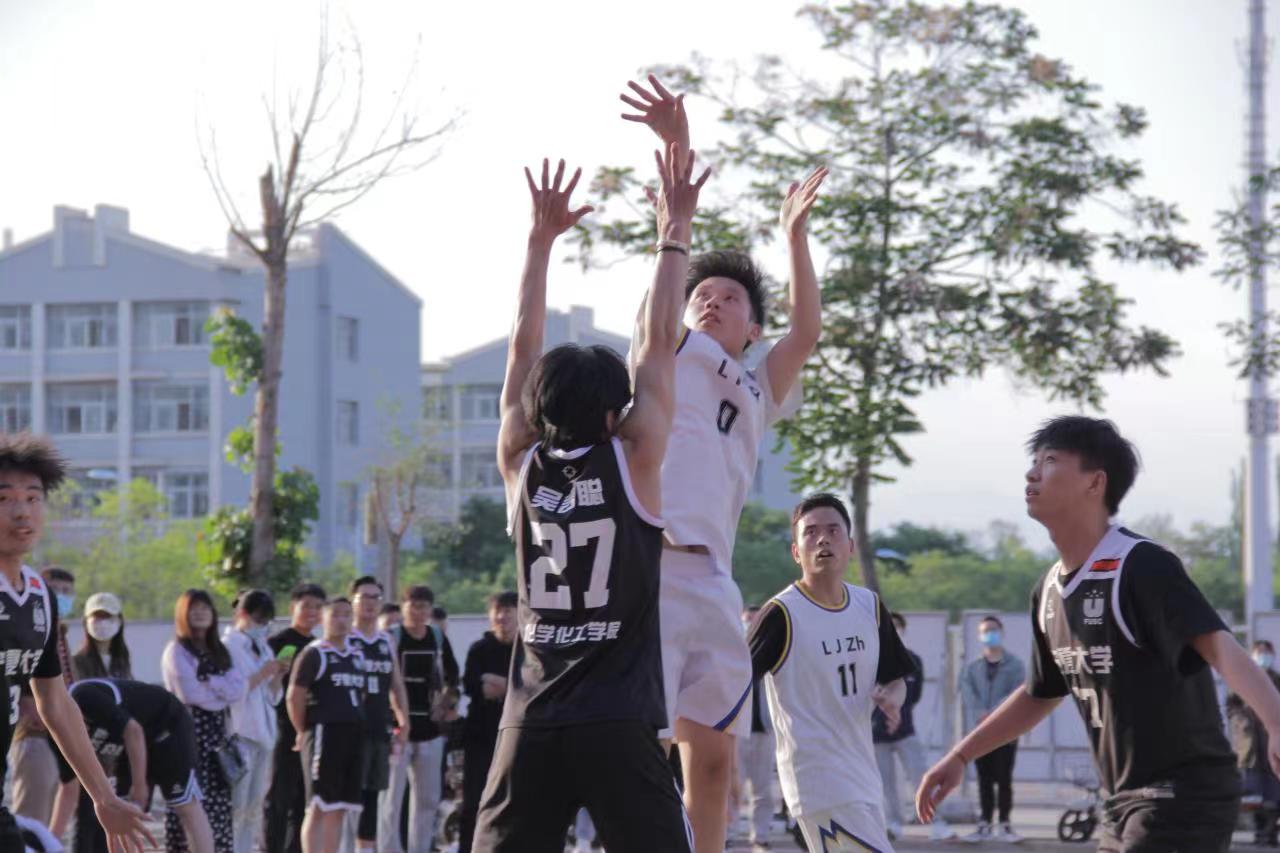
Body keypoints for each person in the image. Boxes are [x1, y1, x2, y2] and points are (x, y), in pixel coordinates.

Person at [473, 147, 703, 853]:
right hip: (617, 718)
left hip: (530, 719)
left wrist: (539, 243)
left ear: (538, 407)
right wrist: (673, 231)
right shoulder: (634, 457)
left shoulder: (519, 461)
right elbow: (660, 340)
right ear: (613, 413)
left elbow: (521, 349)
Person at [618, 74, 825, 853]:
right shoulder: (671, 347)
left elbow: (807, 331)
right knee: (639, 744)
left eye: (731, 297)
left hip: (714, 578)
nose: (713, 299)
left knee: (715, 756)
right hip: (649, 564)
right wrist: (678, 144)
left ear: (752, 328)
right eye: (703, 291)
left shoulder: (760, 384)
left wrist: (794, 237)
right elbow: (666, 284)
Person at [918, 416, 1280, 852]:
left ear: (1095, 482)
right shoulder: (1048, 591)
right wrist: (961, 755)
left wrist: (1275, 722)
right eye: (1033, 461)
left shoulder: (1142, 564)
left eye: (1050, 461)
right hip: (1119, 801)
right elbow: (1038, 694)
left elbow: (1219, 647)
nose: (1032, 473)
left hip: (1181, 794)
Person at [0, 432, 151, 851]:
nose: (21, 511)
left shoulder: (39, 597)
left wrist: (104, 797)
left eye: (32, 498)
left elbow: (56, 703)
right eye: (4, 499)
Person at [747, 494, 914, 852]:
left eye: (833, 530)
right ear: (796, 552)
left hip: (863, 776)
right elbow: (732, 682)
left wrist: (893, 699)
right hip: (818, 782)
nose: (823, 539)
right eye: (811, 532)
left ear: (850, 546)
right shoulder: (781, 614)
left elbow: (896, 676)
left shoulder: (869, 606)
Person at [55, 678, 216, 853]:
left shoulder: (82, 696)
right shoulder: (56, 732)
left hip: (165, 724)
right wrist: (49, 840)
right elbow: (68, 787)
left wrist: (139, 785)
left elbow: (133, 731)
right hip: (129, 749)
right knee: (121, 813)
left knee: (185, 804)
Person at [162, 589, 247, 853]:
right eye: (194, 608)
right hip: (187, 738)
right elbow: (191, 694)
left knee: (218, 810)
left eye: (205, 608)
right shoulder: (176, 651)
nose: (200, 613)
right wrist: (219, 689)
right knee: (189, 806)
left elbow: (238, 690)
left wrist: (209, 682)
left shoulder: (220, 651)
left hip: (217, 743)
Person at [378, 584, 458, 853]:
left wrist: (446, 705)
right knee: (391, 800)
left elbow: (453, 676)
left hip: (430, 731)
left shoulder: (436, 637)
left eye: (424, 607)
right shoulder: (392, 637)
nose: (418, 612)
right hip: (396, 732)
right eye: (413, 606)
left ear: (430, 610)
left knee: (428, 800)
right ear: (403, 608)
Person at [288, 597, 367, 853]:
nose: (341, 620)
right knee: (318, 805)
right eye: (335, 615)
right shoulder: (315, 653)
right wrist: (302, 730)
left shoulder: (357, 655)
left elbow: (362, 695)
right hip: (325, 733)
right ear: (323, 619)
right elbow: (294, 696)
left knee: (339, 807)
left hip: (353, 733)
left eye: (346, 615)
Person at [872, 612, 954, 842]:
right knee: (886, 783)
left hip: (906, 731)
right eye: (891, 627)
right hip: (876, 734)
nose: (895, 632)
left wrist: (900, 713)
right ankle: (893, 823)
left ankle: (937, 822)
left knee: (921, 776)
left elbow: (914, 695)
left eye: (898, 627)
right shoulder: (871, 660)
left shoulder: (913, 661)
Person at [344, 577, 410, 853]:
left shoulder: (385, 640)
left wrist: (404, 721)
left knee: (373, 796)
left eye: (375, 597)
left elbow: (396, 684)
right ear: (353, 601)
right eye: (364, 597)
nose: (370, 603)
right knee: (348, 798)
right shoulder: (344, 637)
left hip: (379, 728)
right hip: (349, 731)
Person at [8, 566, 75, 828]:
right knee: (30, 820)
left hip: (57, 735)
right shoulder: (27, 629)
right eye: (55, 589)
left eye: (67, 591)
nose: (61, 596)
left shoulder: (60, 634)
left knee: (46, 820)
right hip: (34, 734)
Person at [225, 589, 288, 853]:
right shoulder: (228, 646)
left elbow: (272, 697)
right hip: (241, 733)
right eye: (258, 619)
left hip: (264, 734)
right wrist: (262, 674)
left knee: (253, 807)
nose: (262, 626)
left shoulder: (263, 646)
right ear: (242, 614)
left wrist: (277, 676)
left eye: (266, 621)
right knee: (236, 804)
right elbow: (233, 692)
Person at [266, 582, 327, 853]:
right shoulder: (279, 643)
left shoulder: (320, 646)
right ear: (292, 608)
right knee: (279, 797)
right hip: (283, 728)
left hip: (312, 730)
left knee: (305, 799)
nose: (312, 612)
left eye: (318, 607)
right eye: (306, 606)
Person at [457, 591, 517, 853]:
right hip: (480, 735)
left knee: (515, 798)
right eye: (497, 611)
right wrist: (509, 686)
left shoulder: (528, 649)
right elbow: (474, 686)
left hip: (516, 736)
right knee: (474, 798)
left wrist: (497, 682)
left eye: (508, 610)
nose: (502, 616)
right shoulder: (479, 649)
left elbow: (529, 688)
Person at [957, 614, 1024, 841]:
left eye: (993, 630)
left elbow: (1017, 693)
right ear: (979, 635)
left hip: (1006, 731)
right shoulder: (972, 667)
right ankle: (984, 822)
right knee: (984, 778)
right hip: (980, 732)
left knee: (1004, 778)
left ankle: (1005, 823)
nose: (990, 634)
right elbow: (967, 693)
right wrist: (981, 714)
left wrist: (994, 713)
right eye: (985, 631)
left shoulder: (1015, 665)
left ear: (1001, 633)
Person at [1229, 640, 1280, 845]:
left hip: (1272, 743)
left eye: (1267, 652)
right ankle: (1261, 832)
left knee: (1274, 793)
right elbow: (1231, 706)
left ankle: (1270, 832)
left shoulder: (1277, 680)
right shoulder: (1244, 679)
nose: (1263, 656)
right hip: (1250, 746)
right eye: (1260, 652)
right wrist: (1241, 720)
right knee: (1254, 794)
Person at [736, 605, 776, 852]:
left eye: (754, 620)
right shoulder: (732, 651)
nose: (750, 625)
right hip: (735, 730)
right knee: (733, 786)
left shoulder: (770, 649)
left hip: (764, 729)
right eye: (746, 620)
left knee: (763, 789)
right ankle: (727, 835)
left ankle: (760, 836)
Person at [72, 592, 132, 681]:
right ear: (85, 622)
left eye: (108, 616)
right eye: (97, 617)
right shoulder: (76, 662)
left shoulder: (122, 658)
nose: (103, 622)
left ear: (120, 621)